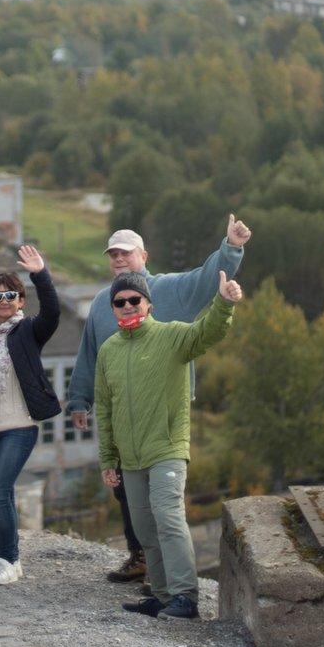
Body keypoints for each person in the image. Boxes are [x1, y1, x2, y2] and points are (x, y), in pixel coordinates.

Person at [66, 216, 251, 583]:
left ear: (144, 255)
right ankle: (141, 558)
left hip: (164, 408)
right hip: (121, 410)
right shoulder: (103, 304)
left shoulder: (170, 290)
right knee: (125, 488)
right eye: (113, 254)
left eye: (126, 253)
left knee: (163, 496)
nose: (119, 259)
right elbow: (89, 356)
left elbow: (206, 276)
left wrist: (231, 247)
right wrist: (78, 400)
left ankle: (177, 583)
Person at [97, 270, 241, 621]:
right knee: (145, 529)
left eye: (135, 300)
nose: (128, 306)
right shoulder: (109, 351)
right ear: (113, 309)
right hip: (130, 458)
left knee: (168, 517)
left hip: (167, 449)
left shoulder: (172, 337)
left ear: (148, 303)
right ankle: (162, 597)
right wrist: (108, 459)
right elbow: (104, 407)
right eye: (121, 302)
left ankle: (185, 598)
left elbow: (208, 332)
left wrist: (224, 303)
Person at [0, 244, 60, 586]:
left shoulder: (27, 332)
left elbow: (52, 311)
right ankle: (7, 558)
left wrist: (39, 274)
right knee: (0, 493)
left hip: (18, 428)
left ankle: (10, 560)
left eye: (10, 295)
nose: (3, 301)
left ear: (21, 300)